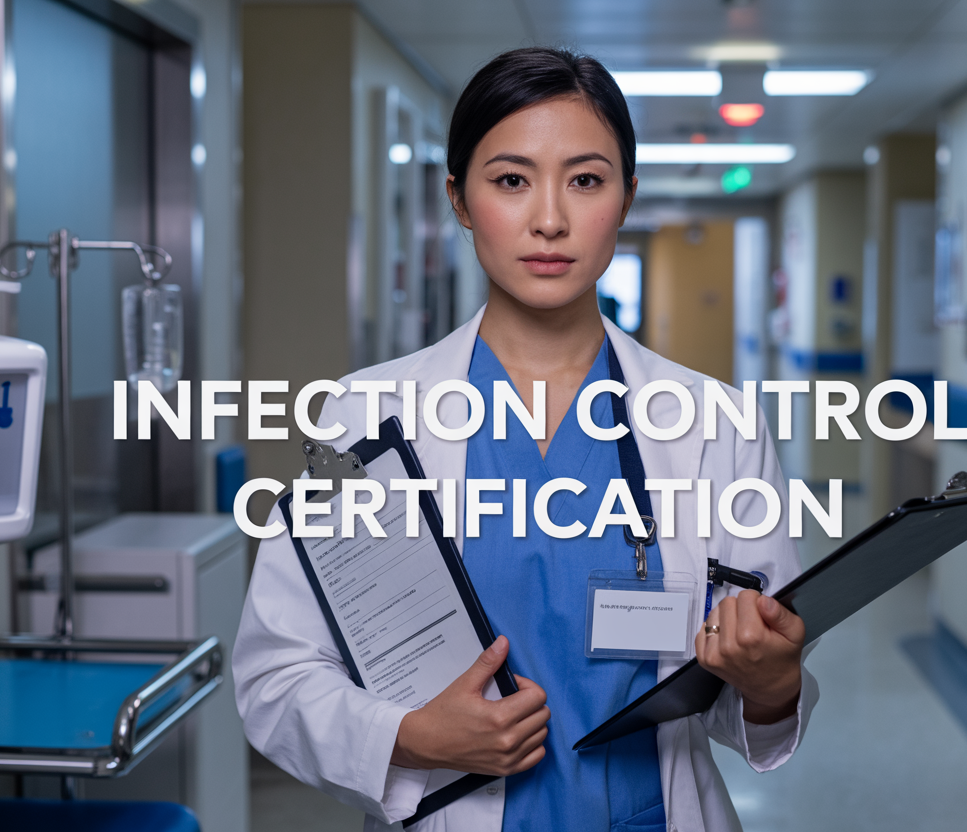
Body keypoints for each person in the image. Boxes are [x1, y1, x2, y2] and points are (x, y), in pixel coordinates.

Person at [233, 47, 818, 832]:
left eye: (586, 180)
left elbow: (751, 696)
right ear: (461, 200)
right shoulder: (363, 417)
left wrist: (773, 683)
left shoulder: (714, 424)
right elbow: (275, 675)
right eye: (511, 180)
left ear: (626, 197)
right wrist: (406, 737)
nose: (550, 218)